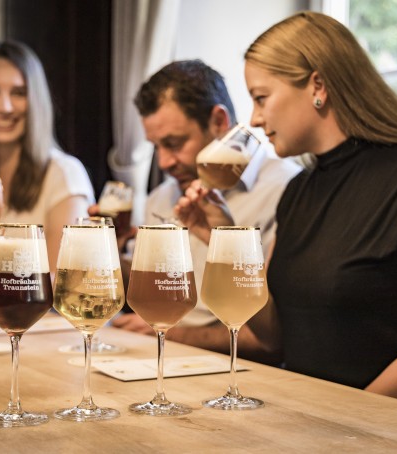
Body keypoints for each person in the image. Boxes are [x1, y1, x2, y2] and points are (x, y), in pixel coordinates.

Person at [175, 12, 397, 419]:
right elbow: (275, 338)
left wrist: (335, 427)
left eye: (261, 97)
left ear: (318, 85)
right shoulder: (300, 190)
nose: (253, 119)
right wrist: (221, 232)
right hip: (314, 416)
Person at [109, 60, 302, 363]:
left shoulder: (287, 191)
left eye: (173, 143)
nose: (164, 163)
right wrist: (111, 253)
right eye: (156, 146)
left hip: (235, 366)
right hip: (154, 352)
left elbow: (274, 335)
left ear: (218, 121)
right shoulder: (162, 197)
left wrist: (175, 335)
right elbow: (160, 287)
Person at [0, 41, 94, 267]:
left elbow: (59, 281)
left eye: (19, 93)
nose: (5, 107)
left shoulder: (65, 175)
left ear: (36, 101)